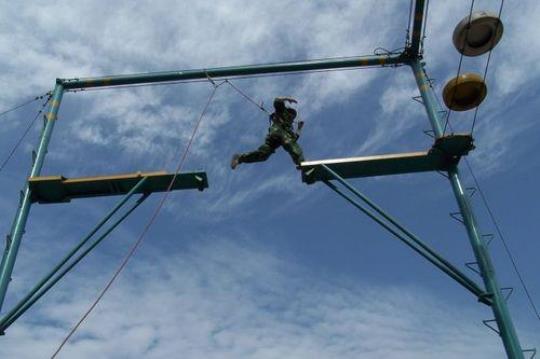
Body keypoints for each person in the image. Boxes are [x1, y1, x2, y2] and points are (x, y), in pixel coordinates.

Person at [230, 97, 305, 170]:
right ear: (288, 112)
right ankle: (301, 162)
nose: (292, 117)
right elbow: (277, 101)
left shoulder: (289, 128)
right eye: (291, 114)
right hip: (278, 132)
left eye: (293, 116)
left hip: (274, 140)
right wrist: (287, 98)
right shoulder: (282, 113)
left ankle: (239, 158)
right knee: (288, 141)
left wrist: (299, 129)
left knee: (263, 155)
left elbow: (294, 140)